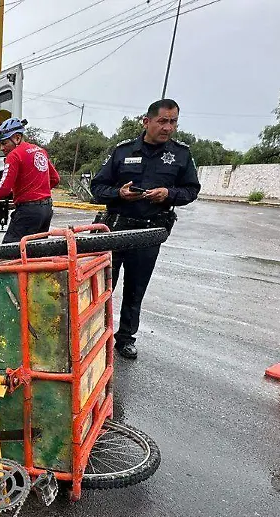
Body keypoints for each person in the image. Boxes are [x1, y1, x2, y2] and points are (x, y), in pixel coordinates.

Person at [90, 98, 202, 360]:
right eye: (162, 121)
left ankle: (126, 338)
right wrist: (119, 193)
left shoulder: (181, 155)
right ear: (147, 121)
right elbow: (97, 188)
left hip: (150, 232)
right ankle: (95, 335)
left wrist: (168, 193)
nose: (167, 127)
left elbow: (191, 190)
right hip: (116, 229)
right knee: (103, 286)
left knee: (135, 289)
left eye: (173, 121)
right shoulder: (122, 151)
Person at [0, 118, 61, 244]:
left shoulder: (14, 155)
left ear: (17, 138)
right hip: (46, 210)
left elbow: (3, 188)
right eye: (0, 144)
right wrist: (34, 191)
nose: (2, 148)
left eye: (4, 143)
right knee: (34, 254)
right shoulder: (40, 151)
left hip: (28, 212)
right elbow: (55, 179)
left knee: (9, 253)